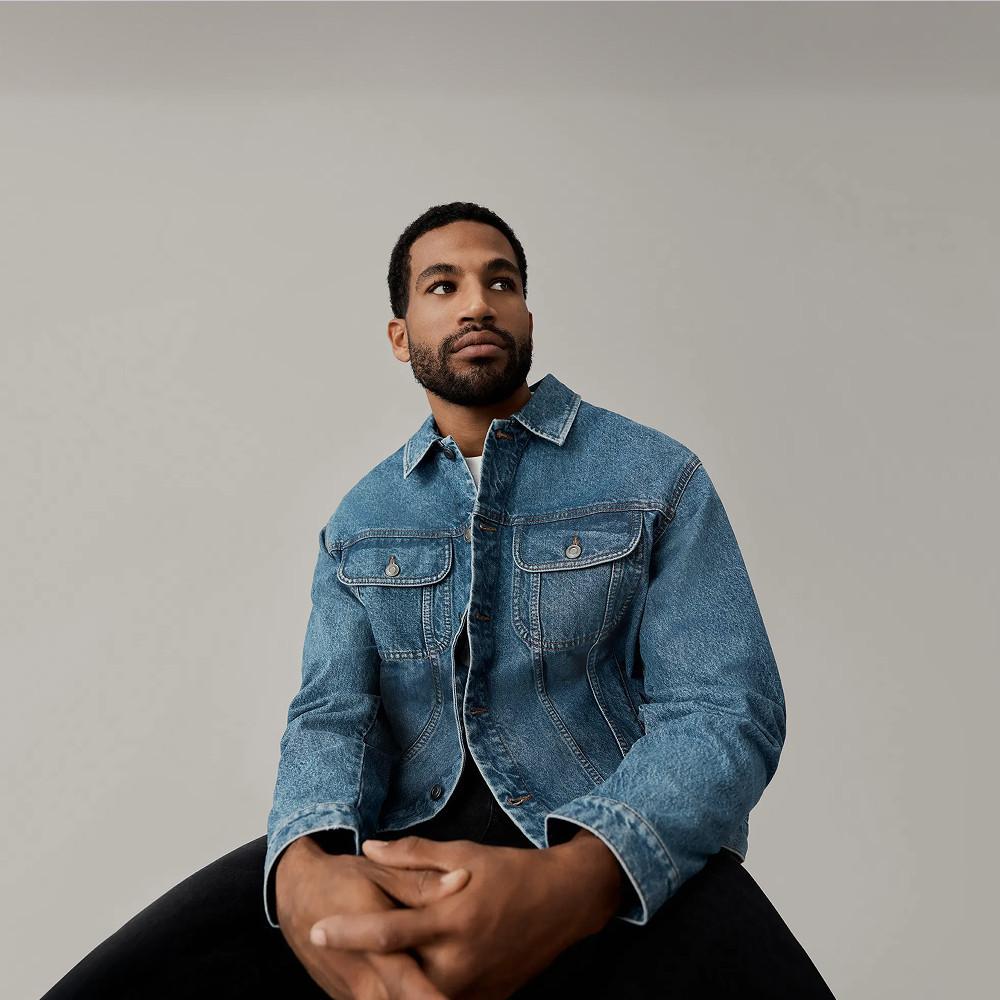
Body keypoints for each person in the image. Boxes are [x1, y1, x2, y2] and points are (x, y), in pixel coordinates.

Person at [42, 202, 835, 999]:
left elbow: (724, 710)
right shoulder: (362, 517)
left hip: (607, 833)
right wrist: (302, 862)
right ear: (401, 336)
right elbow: (332, 713)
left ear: (528, 318)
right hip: (396, 845)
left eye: (502, 282)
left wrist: (581, 879)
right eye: (443, 285)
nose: (477, 303)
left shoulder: (657, 477)